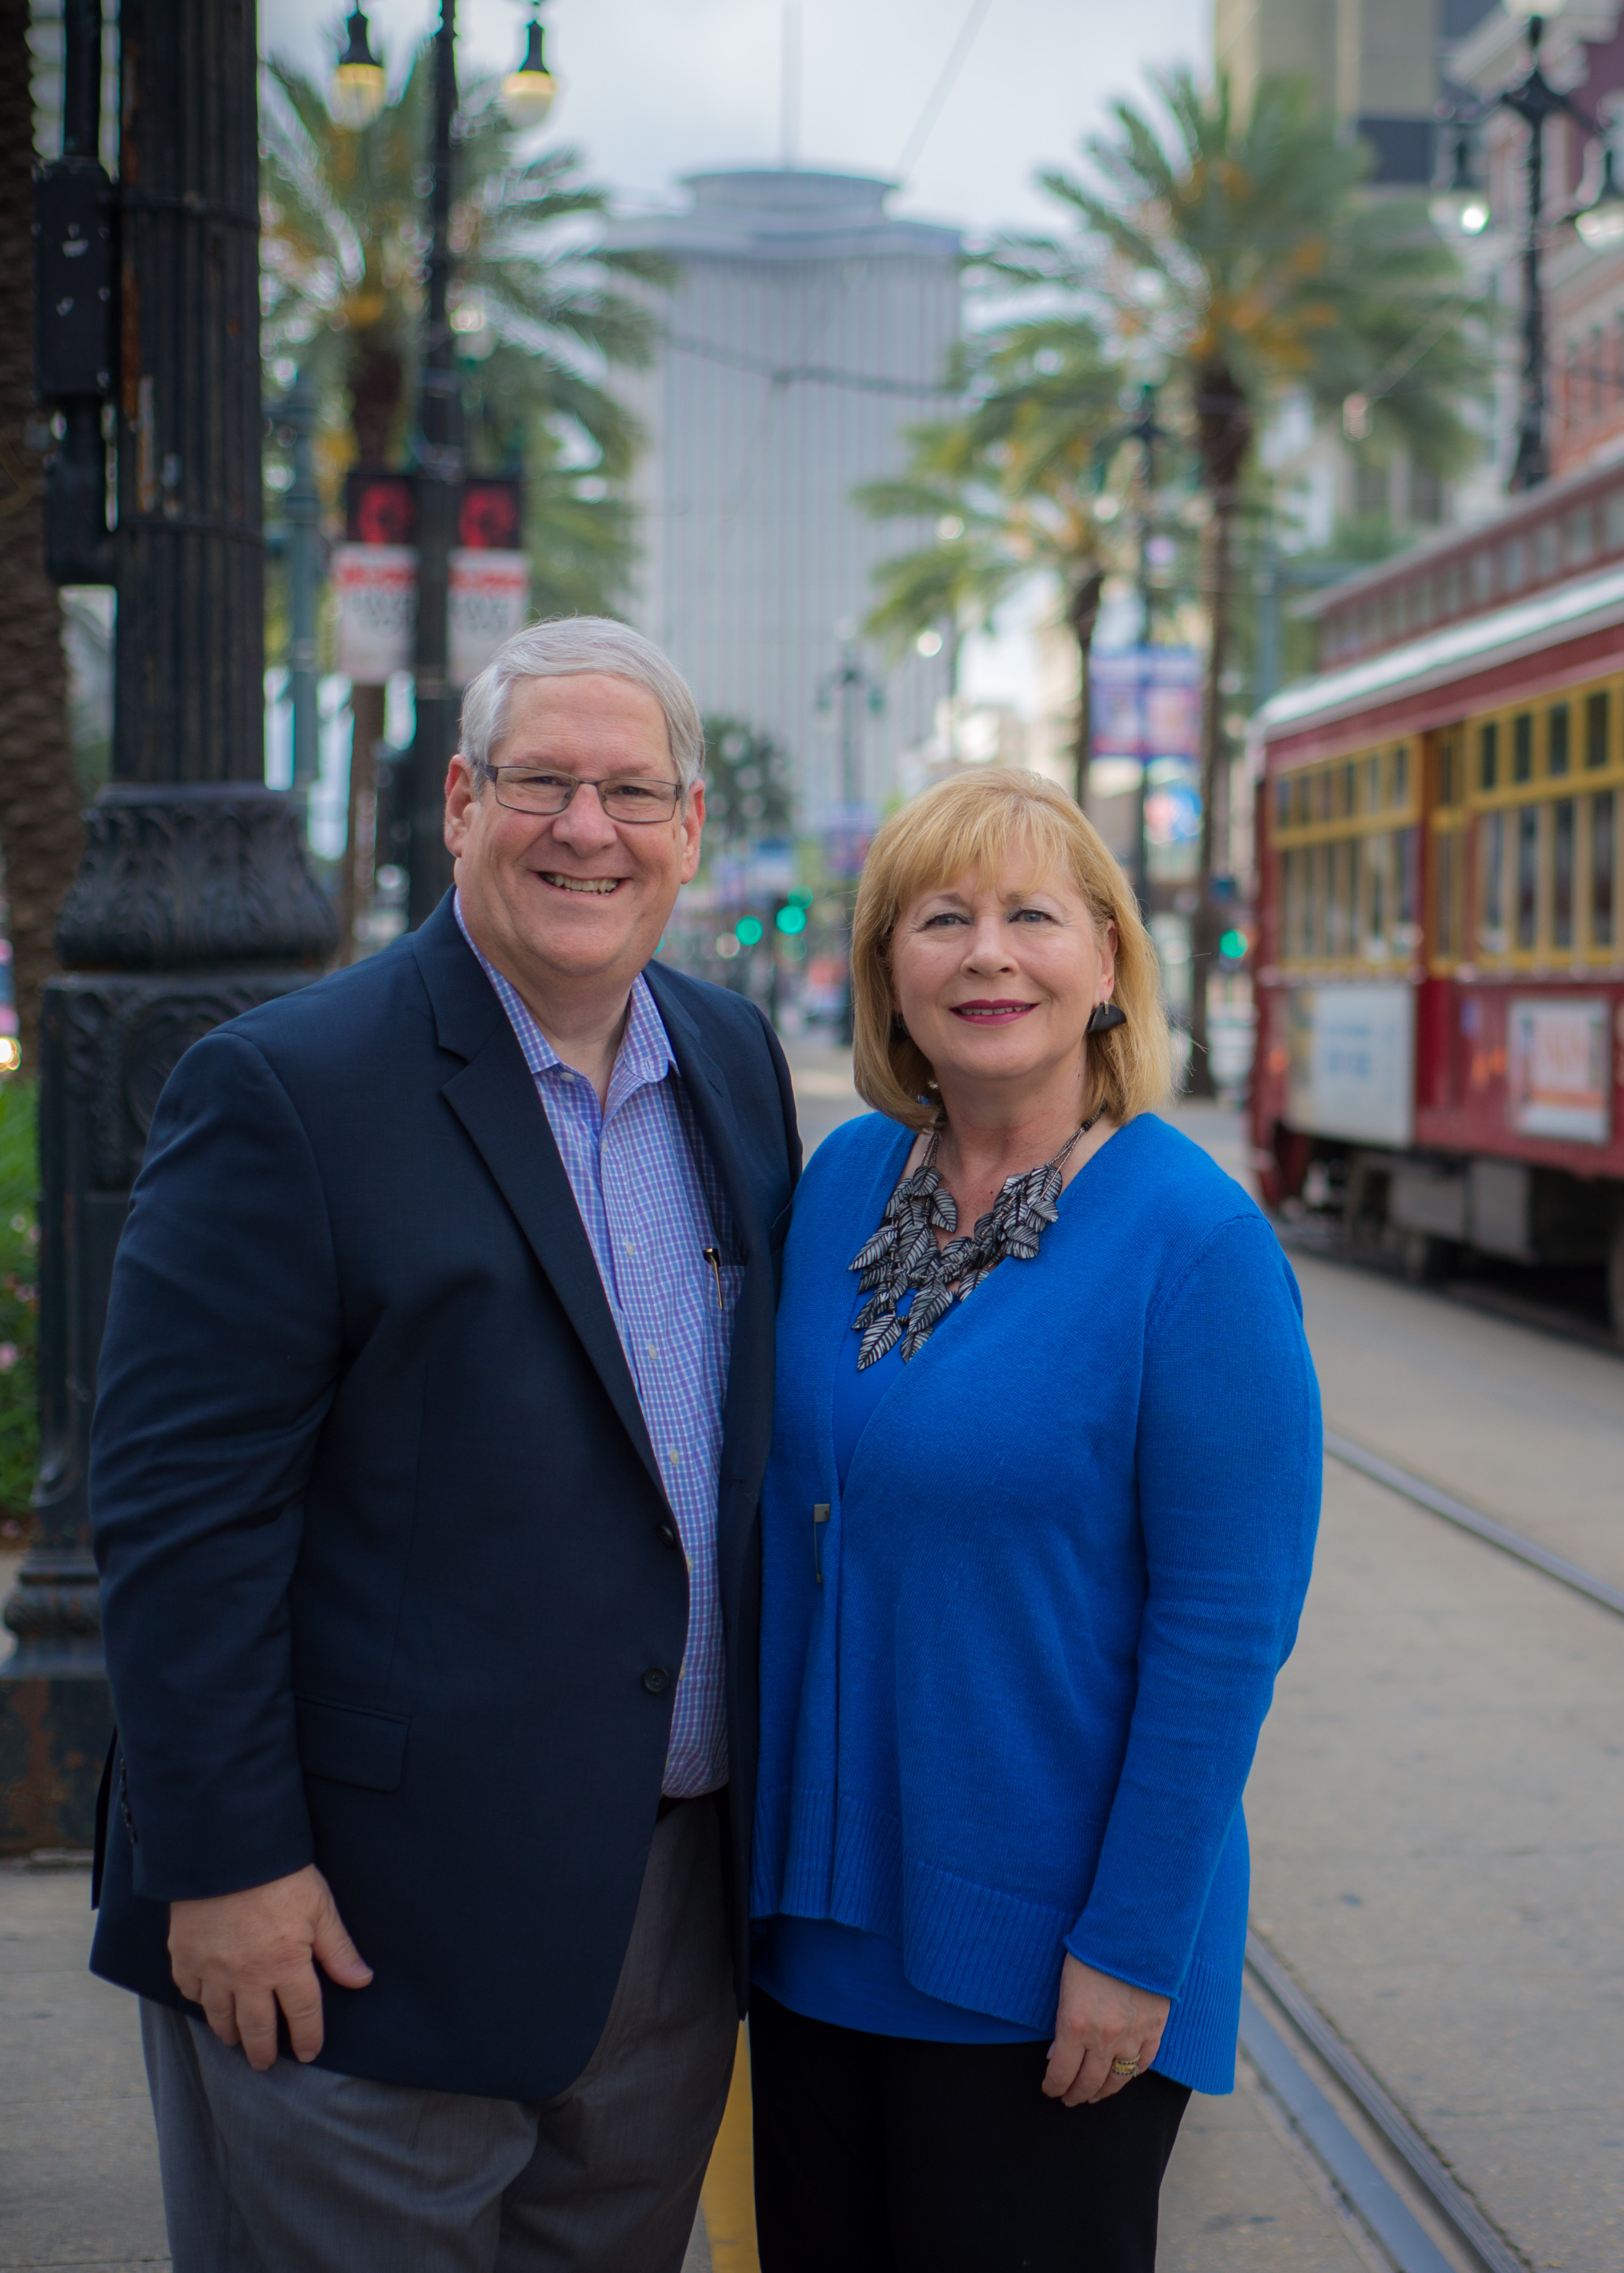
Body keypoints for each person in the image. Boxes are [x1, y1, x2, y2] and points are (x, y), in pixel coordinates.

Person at [88, 617, 800, 2272]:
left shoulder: (739, 1066)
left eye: (633, 792)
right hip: (352, 1934)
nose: (586, 829)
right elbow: (180, 1524)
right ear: (463, 804)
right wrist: (231, 1864)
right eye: (544, 781)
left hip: (663, 1923)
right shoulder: (285, 1090)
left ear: (689, 829)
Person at [748, 768, 1321, 2273]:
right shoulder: (842, 1186)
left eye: (1030, 917)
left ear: (1110, 963)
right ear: (888, 973)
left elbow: (1225, 1632)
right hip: (810, 1939)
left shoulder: (1194, 1243)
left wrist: (1129, 1949)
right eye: (940, 919)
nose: (986, 954)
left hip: (1051, 1963)